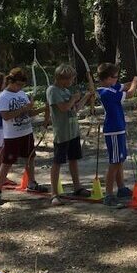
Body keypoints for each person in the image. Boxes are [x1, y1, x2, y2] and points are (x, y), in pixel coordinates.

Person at [0, 68, 48, 205]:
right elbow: (5, 116)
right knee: (7, 162)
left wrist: (42, 109)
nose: (20, 87)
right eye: (18, 85)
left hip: (26, 132)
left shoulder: (22, 94)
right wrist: (24, 108)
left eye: (22, 85)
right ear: (11, 81)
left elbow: (29, 113)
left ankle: (32, 182)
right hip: (12, 136)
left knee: (30, 158)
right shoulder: (3, 97)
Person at [96, 63, 137, 209]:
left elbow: (125, 86)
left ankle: (121, 188)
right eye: (115, 77)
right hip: (113, 130)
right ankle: (108, 194)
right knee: (114, 162)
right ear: (108, 78)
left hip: (119, 128)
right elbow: (130, 93)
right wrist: (135, 83)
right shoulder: (105, 92)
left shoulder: (111, 87)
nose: (117, 79)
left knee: (119, 159)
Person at [47, 64, 93, 205]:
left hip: (73, 131)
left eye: (72, 79)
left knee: (74, 159)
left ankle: (77, 187)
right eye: (69, 79)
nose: (71, 82)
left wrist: (87, 96)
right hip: (62, 133)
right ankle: (54, 193)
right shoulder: (53, 90)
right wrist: (73, 98)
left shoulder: (66, 91)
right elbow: (63, 107)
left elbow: (75, 109)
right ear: (61, 78)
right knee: (58, 162)